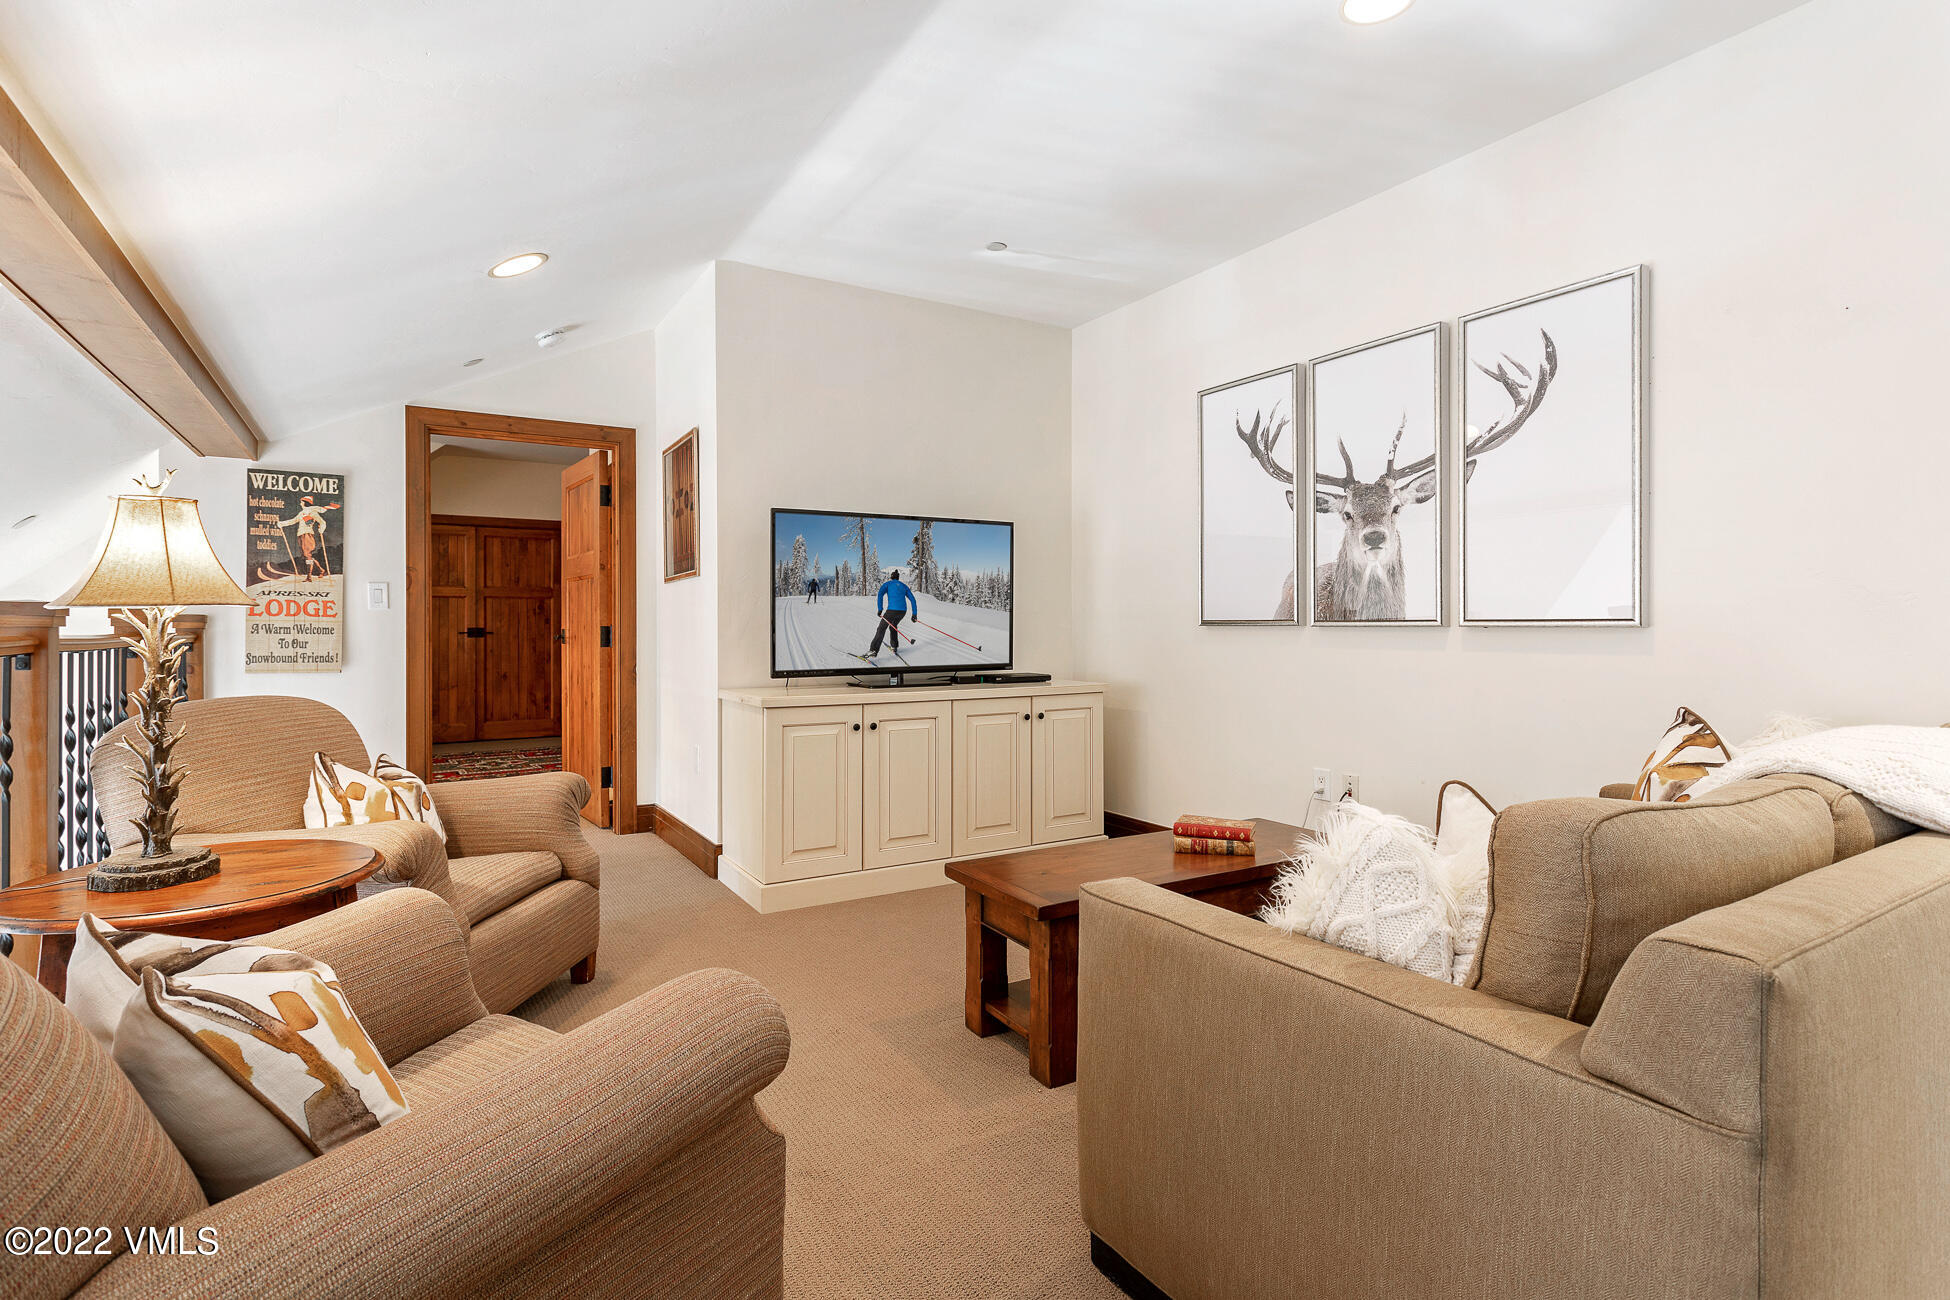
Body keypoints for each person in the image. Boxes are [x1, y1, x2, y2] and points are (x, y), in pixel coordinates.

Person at [868, 568, 919, 656]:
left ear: (891, 577)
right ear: (898, 578)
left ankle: (873, 650)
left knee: (881, 628)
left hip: (892, 611)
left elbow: (880, 594)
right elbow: (913, 600)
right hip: (902, 612)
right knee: (893, 625)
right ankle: (894, 646)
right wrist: (914, 614)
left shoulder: (887, 584)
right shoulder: (904, 586)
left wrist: (880, 609)